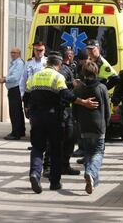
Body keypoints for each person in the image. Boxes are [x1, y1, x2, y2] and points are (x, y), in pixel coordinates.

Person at [23, 51, 98, 194]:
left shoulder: (34, 76)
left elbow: (26, 97)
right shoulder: (58, 76)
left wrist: (28, 111)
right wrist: (83, 102)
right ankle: (55, 183)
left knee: (37, 148)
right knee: (56, 149)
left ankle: (35, 174)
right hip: (53, 118)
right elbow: (66, 95)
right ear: (58, 64)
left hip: (36, 117)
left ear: (47, 63)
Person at [73, 61, 110, 194]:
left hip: (84, 125)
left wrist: (77, 122)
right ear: (96, 72)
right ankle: (90, 172)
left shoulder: (78, 88)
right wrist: (106, 123)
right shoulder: (101, 88)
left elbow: (75, 109)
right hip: (98, 125)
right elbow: (107, 110)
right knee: (98, 152)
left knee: (88, 152)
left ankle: (93, 181)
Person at [58, 47, 80, 175]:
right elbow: (62, 88)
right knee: (66, 138)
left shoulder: (68, 68)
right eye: (71, 54)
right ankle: (59, 166)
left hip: (67, 108)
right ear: (69, 56)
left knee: (69, 138)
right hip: (64, 109)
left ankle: (64, 165)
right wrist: (73, 84)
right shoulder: (63, 70)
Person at [0, 47, 26, 140]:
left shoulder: (18, 63)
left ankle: (16, 133)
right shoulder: (15, 63)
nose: (12, 54)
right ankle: (21, 130)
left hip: (16, 89)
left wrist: (5, 79)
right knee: (17, 111)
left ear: (19, 53)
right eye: (11, 52)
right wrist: (6, 77)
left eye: (14, 52)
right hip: (14, 89)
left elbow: (15, 77)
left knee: (14, 112)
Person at [19, 41, 47, 118]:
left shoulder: (47, 62)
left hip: (44, 94)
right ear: (34, 50)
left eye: (41, 50)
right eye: (37, 50)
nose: (39, 52)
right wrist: (22, 94)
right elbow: (23, 79)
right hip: (31, 95)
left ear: (44, 50)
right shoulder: (29, 63)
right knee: (32, 118)